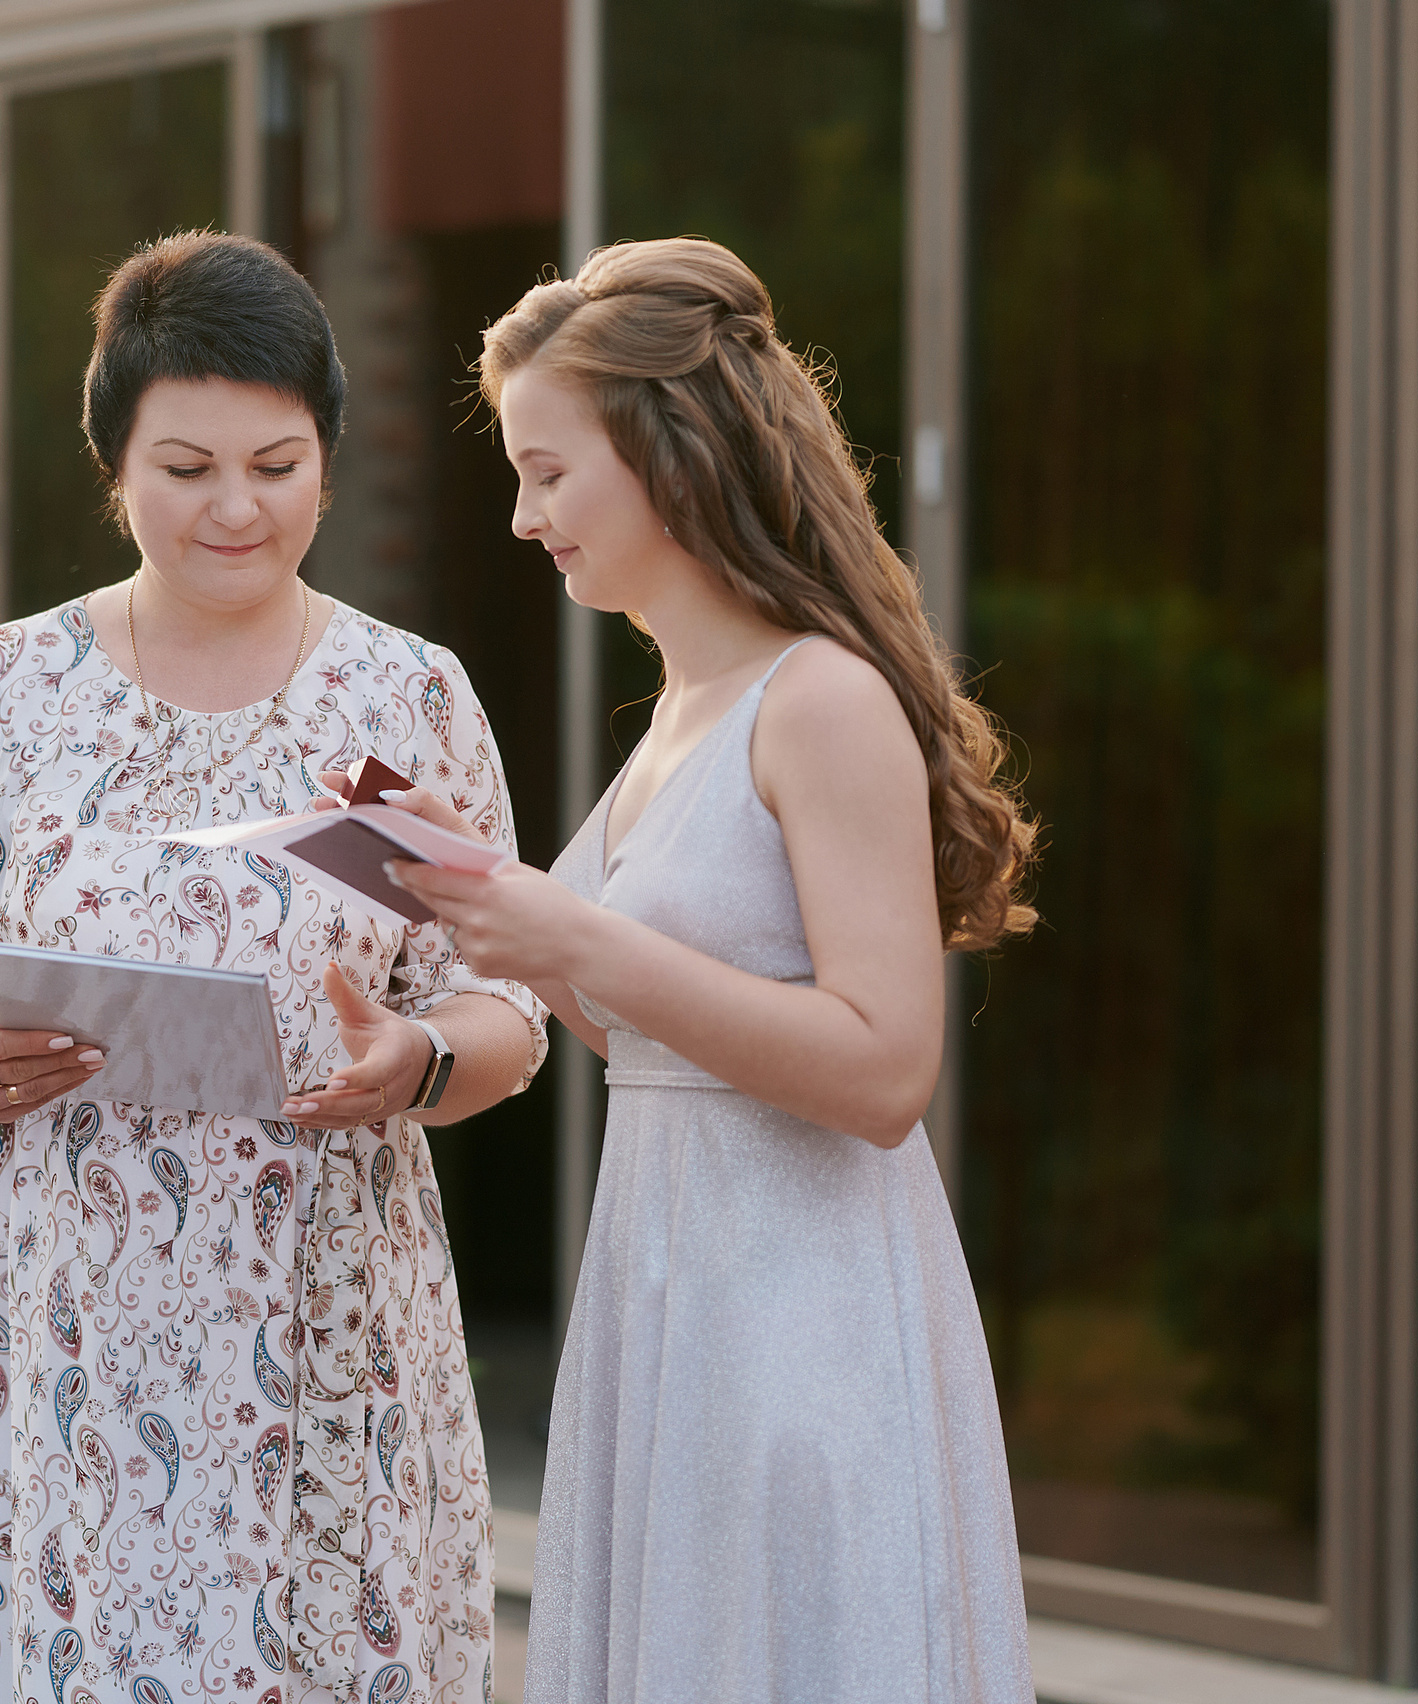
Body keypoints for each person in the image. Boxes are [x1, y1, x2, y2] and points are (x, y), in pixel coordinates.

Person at [0, 230, 547, 1704]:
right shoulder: (8, 692)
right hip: (49, 1335)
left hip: (322, 1326)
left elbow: (509, 1000)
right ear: (114, 464)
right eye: (188, 467)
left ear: (331, 458)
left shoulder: (398, 698)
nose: (237, 509)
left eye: (277, 467)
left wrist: (418, 1063)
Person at [380, 238, 1040, 1701]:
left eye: (550, 471)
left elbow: (882, 1070)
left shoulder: (822, 702)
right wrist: (481, 894)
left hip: (804, 1318)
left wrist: (571, 935)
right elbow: (651, 1031)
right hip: (673, 1296)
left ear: (669, 456)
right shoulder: (683, 703)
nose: (519, 514)